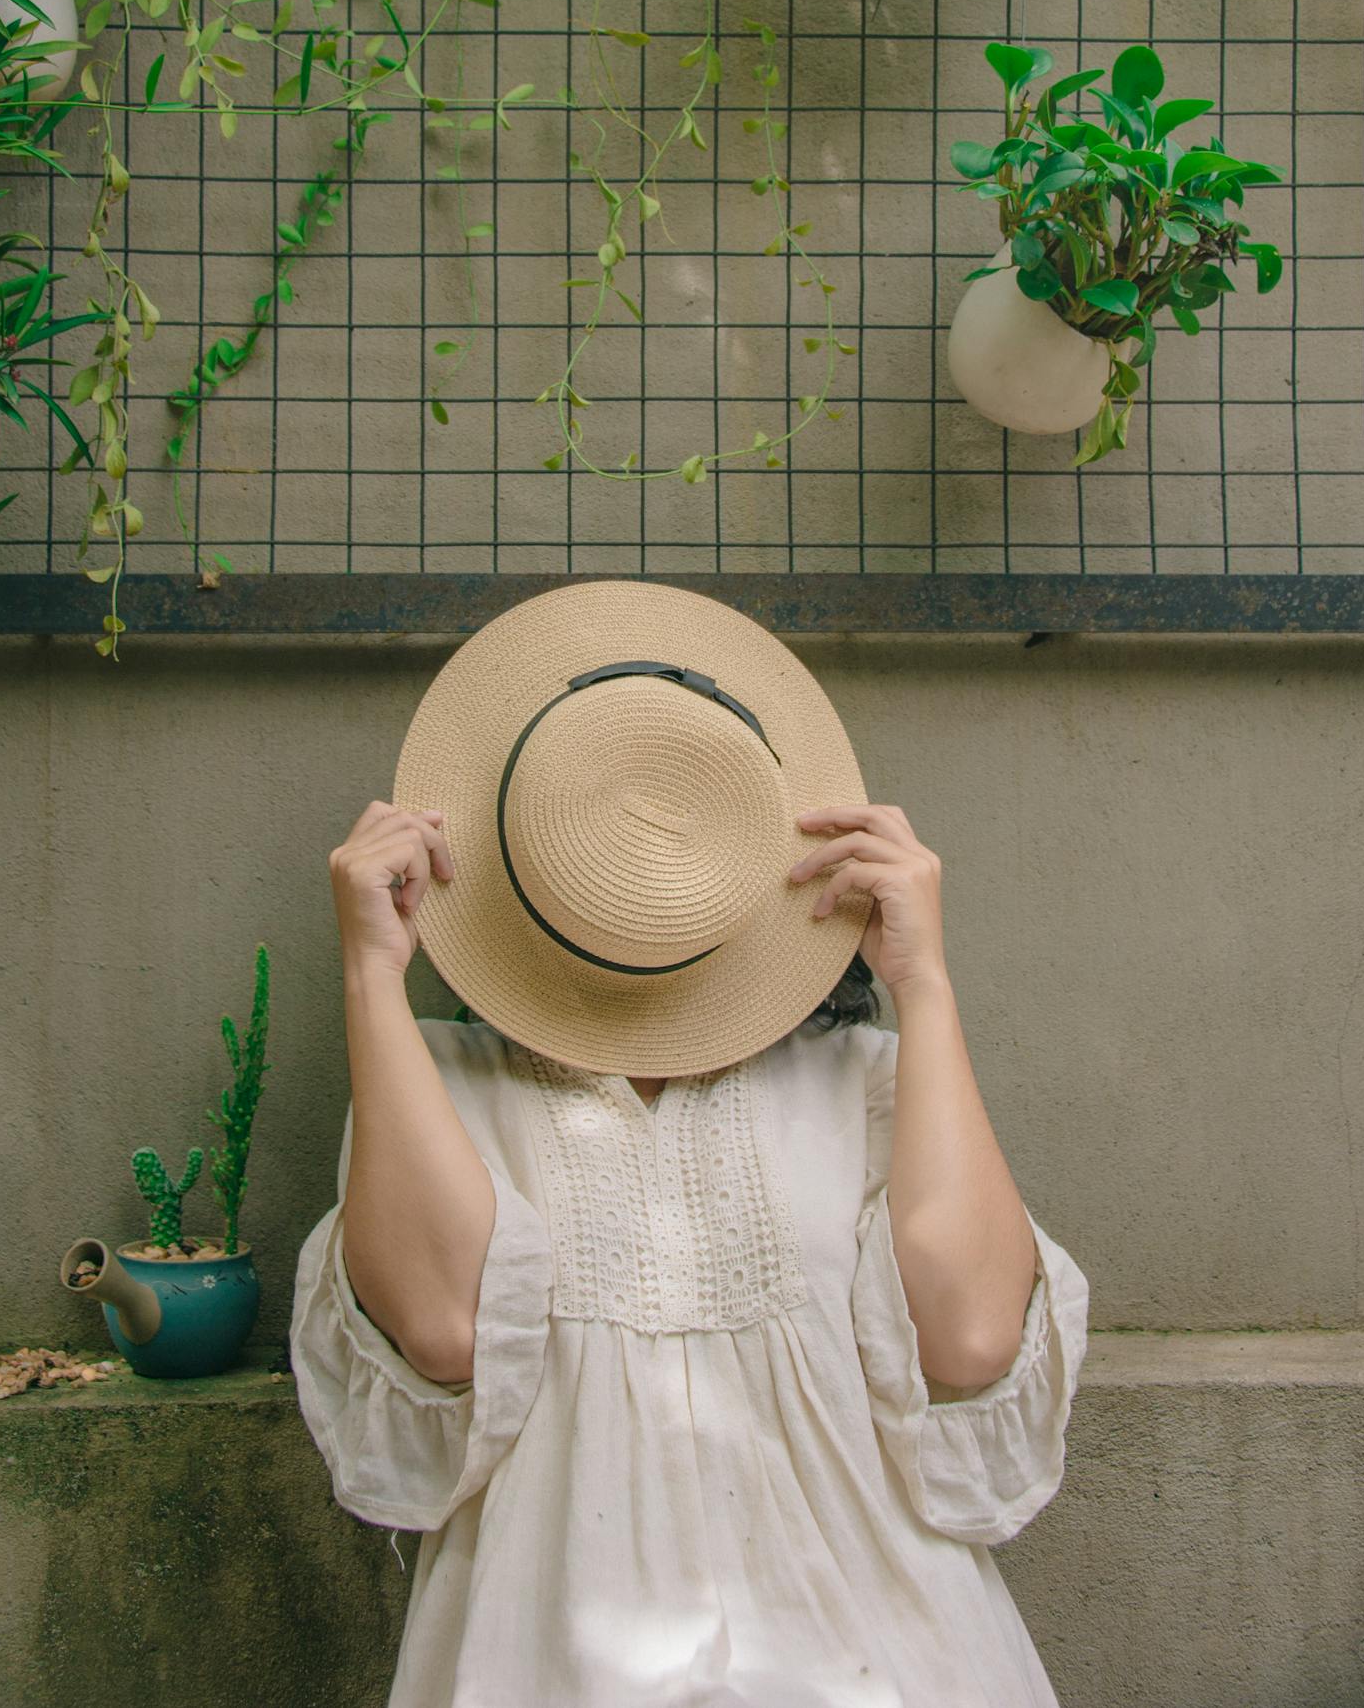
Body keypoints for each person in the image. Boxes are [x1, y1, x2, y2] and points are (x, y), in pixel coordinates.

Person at [289, 580, 1090, 1707]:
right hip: (555, 1662)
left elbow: (966, 1342)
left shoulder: (862, 1084)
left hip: (890, 1657)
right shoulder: (443, 1083)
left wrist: (926, 984)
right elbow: (442, 1329)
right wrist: (372, 974)